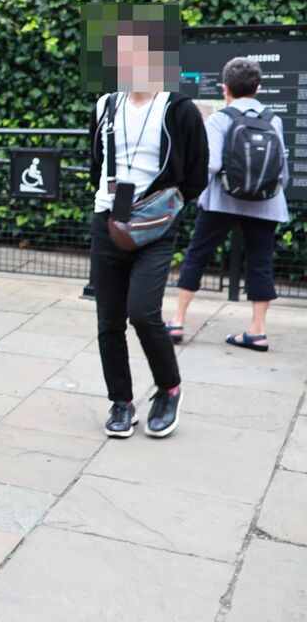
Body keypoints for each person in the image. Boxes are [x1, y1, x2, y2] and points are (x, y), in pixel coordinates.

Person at [88, 23, 207, 440]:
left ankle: (169, 388)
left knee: (142, 313)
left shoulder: (178, 108)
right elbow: (96, 161)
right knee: (109, 321)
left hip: (155, 228)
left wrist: (162, 209)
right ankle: (121, 402)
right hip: (107, 221)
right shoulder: (105, 105)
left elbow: (196, 173)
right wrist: (109, 205)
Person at [169, 58, 289, 351]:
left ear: (225, 89)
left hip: (221, 201)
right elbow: (282, 172)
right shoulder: (274, 120)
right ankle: (258, 331)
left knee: (197, 255)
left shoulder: (220, 119)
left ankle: (177, 321)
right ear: (258, 88)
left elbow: (210, 166)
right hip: (266, 203)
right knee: (260, 262)